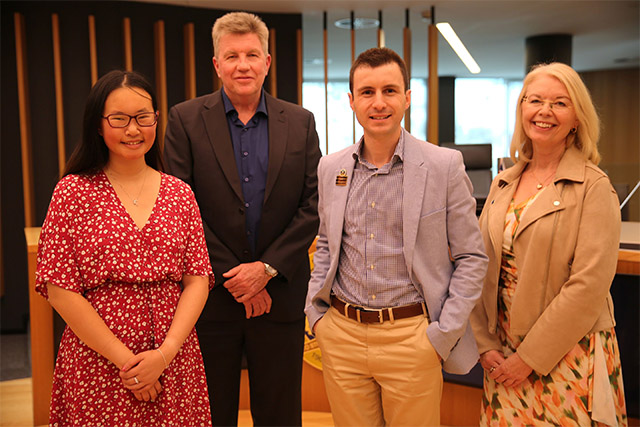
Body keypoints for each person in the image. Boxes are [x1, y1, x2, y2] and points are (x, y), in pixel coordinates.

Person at [305, 47, 488, 426]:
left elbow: (472, 258)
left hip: (413, 339)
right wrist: (317, 316)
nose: (379, 103)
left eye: (389, 91)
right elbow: (326, 244)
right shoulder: (330, 167)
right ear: (352, 101)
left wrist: (441, 335)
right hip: (342, 336)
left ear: (407, 97)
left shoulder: (443, 165)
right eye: (367, 92)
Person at [164, 11, 321, 426]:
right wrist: (239, 276)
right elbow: (183, 208)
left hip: (280, 297)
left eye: (252, 54)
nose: (243, 64)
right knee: (211, 414)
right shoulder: (184, 120)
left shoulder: (301, 123)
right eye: (232, 56)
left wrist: (266, 270)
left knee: (280, 414)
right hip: (211, 297)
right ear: (217, 64)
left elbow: (312, 206)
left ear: (267, 62)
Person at [35, 70, 214, 425]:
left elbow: (197, 279)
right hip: (98, 362)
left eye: (143, 117)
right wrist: (127, 363)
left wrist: (163, 356)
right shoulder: (73, 192)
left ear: (156, 120)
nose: (133, 130)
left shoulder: (180, 193)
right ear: (98, 125)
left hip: (174, 360)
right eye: (119, 119)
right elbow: (60, 290)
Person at [471, 62, 627, 426]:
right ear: (521, 108)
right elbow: (479, 263)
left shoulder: (594, 187)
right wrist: (485, 344)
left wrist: (530, 358)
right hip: (502, 355)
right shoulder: (503, 184)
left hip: (566, 354)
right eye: (534, 100)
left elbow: (588, 286)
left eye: (559, 103)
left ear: (577, 118)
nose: (544, 111)